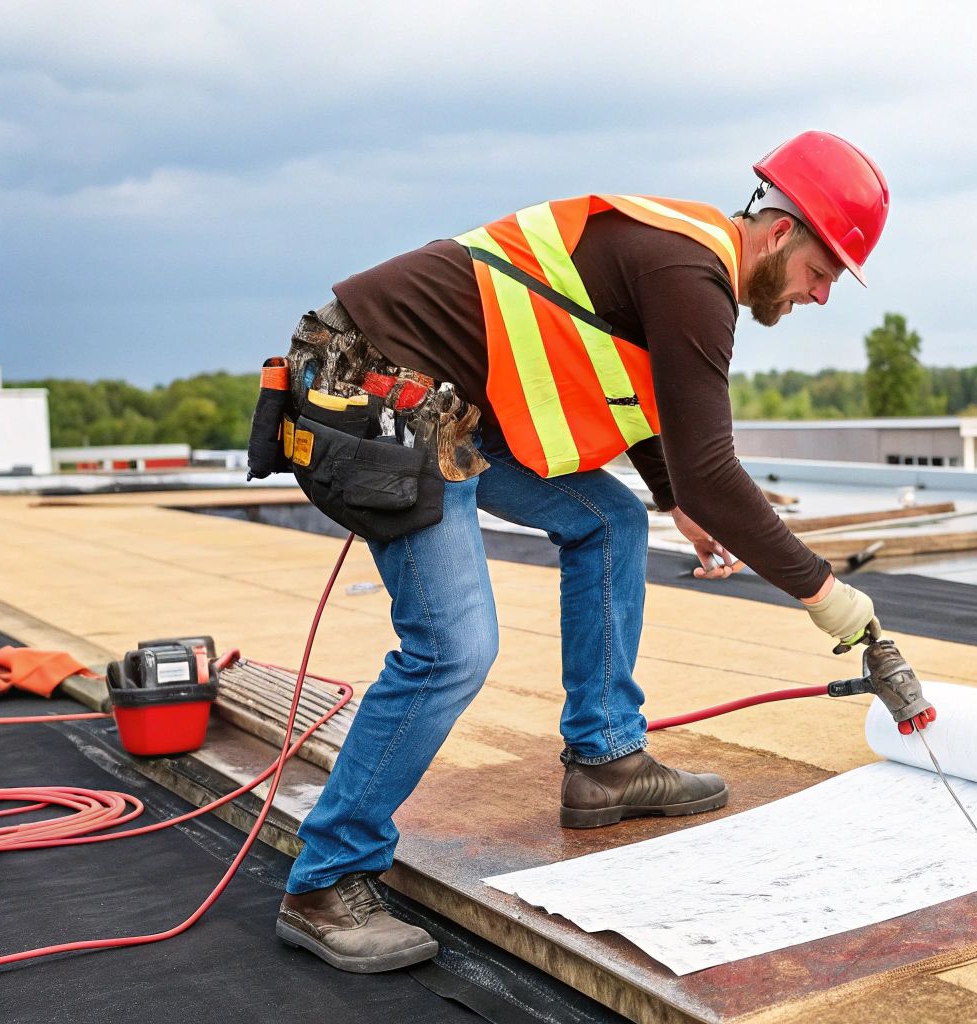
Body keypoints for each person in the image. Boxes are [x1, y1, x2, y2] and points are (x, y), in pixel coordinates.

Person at [270, 132, 901, 974]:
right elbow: (712, 466)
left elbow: (638, 391)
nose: (822, 294)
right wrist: (825, 592)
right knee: (452, 649)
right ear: (782, 231)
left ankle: (605, 762)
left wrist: (673, 497)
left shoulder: (679, 253)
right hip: (375, 389)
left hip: (444, 405)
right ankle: (326, 882)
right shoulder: (692, 274)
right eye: (824, 272)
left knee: (613, 523)